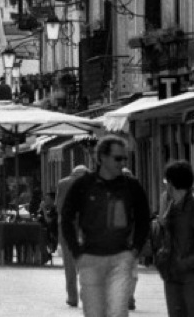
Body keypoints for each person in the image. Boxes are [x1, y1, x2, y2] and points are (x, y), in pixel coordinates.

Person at [60, 135, 150, 317]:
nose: (123, 162)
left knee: (117, 311)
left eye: (125, 158)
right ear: (102, 158)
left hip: (121, 258)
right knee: (94, 312)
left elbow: (144, 218)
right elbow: (66, 218)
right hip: (90, 259)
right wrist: (77, 252)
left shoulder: (131, 186)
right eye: (118, 158)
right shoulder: (84, 185)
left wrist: (134, 251)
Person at [154, 160, 194, 317]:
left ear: (171, 183)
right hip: (172, 272)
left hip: (193, 275)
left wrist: (189, 262)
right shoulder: (172, 204)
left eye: (166, 182)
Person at [57, 164, 89, 307]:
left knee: (69, 264)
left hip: (66, 225)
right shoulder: (91, 183)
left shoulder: (63, 183)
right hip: (85, 226)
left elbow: (58, 206)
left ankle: (72, 297)